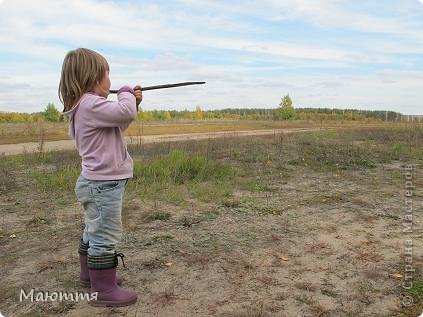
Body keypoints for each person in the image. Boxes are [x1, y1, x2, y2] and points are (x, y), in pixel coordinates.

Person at [59, 48, 142, 307]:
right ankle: (103, 290)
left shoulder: (84, 107)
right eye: (108, 75)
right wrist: (127, 93)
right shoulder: (90, 103)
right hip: (103, 185)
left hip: (95, 183)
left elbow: (119, 123)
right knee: (104, 233)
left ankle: (90, 276)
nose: (111, 82)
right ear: (94, 78)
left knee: (93, 229)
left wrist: (133, 104)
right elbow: (124, 113)